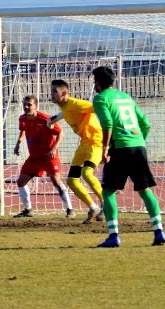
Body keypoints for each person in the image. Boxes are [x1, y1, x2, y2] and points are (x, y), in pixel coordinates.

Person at [90, 66, 163, 248]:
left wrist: (105, 149)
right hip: (138, 146)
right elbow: (145, 123)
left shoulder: (100, 99)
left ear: (97, 83)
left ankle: (113, 235)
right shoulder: (126, 97)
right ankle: (159, 232)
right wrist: (138, 142)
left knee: (107, 191)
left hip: (120, 149)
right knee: (144, 190)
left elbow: (107, 123)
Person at [48, 79, 105, 223]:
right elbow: (65, 113)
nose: (52, 94)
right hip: (83, 144)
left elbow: (96, 107)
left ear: (65, 93)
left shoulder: (76, 103)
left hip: (95, 142)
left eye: (55, 91)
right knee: (72, 180)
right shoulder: (65, 107)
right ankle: (93, 207)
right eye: (52, 90)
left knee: (87, 173)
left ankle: (106, 204)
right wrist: (51, 120)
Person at [12, 95, 73, 218]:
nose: (26, 107)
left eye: (29, 104)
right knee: (21, 182)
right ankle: (28, 209)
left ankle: (70, 209)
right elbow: (23, 130)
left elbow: (60, 132)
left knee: (56, 181)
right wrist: (18, 143)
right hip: (34, 157)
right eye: (25, 104)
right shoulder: (22, 119)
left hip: (49, 156)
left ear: (36, 106)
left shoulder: (46, 119)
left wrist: (54, 148)